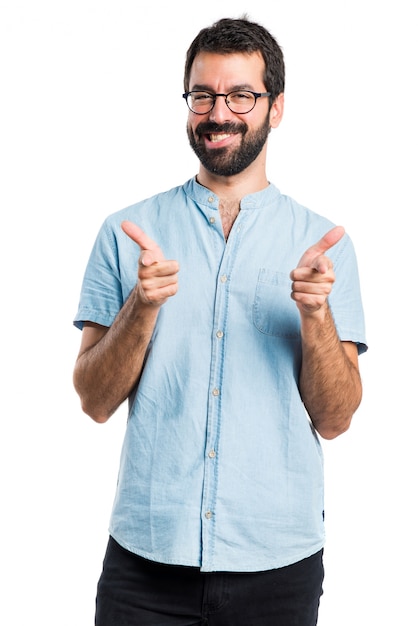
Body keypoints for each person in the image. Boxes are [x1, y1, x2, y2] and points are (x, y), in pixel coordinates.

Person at [73, 15, 367, 626]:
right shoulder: (126, 233)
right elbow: (95, 401)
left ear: (275, 108)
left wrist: (315, 314)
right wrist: (142, 307)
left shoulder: (323, 245)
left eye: (240, 95)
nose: (219, 112)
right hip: (144, 566)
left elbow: (336, 419)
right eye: (202, 94)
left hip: (278, 567)